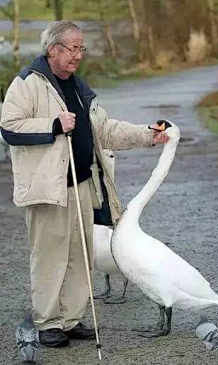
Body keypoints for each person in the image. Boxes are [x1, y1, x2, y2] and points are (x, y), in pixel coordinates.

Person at [0, 20, 169, 348]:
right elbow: (8, 128)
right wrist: (52, 123)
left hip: (82, 185)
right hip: (47, 191)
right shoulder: (27, 84)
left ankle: (71, 319)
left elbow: (105, 130)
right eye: (73, 48)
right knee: (50, 256)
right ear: (54, 50)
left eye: (81, 48)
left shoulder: (78, 87)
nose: (79, 55)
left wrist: (148, 135)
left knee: (80, 257)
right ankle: (48, 322)